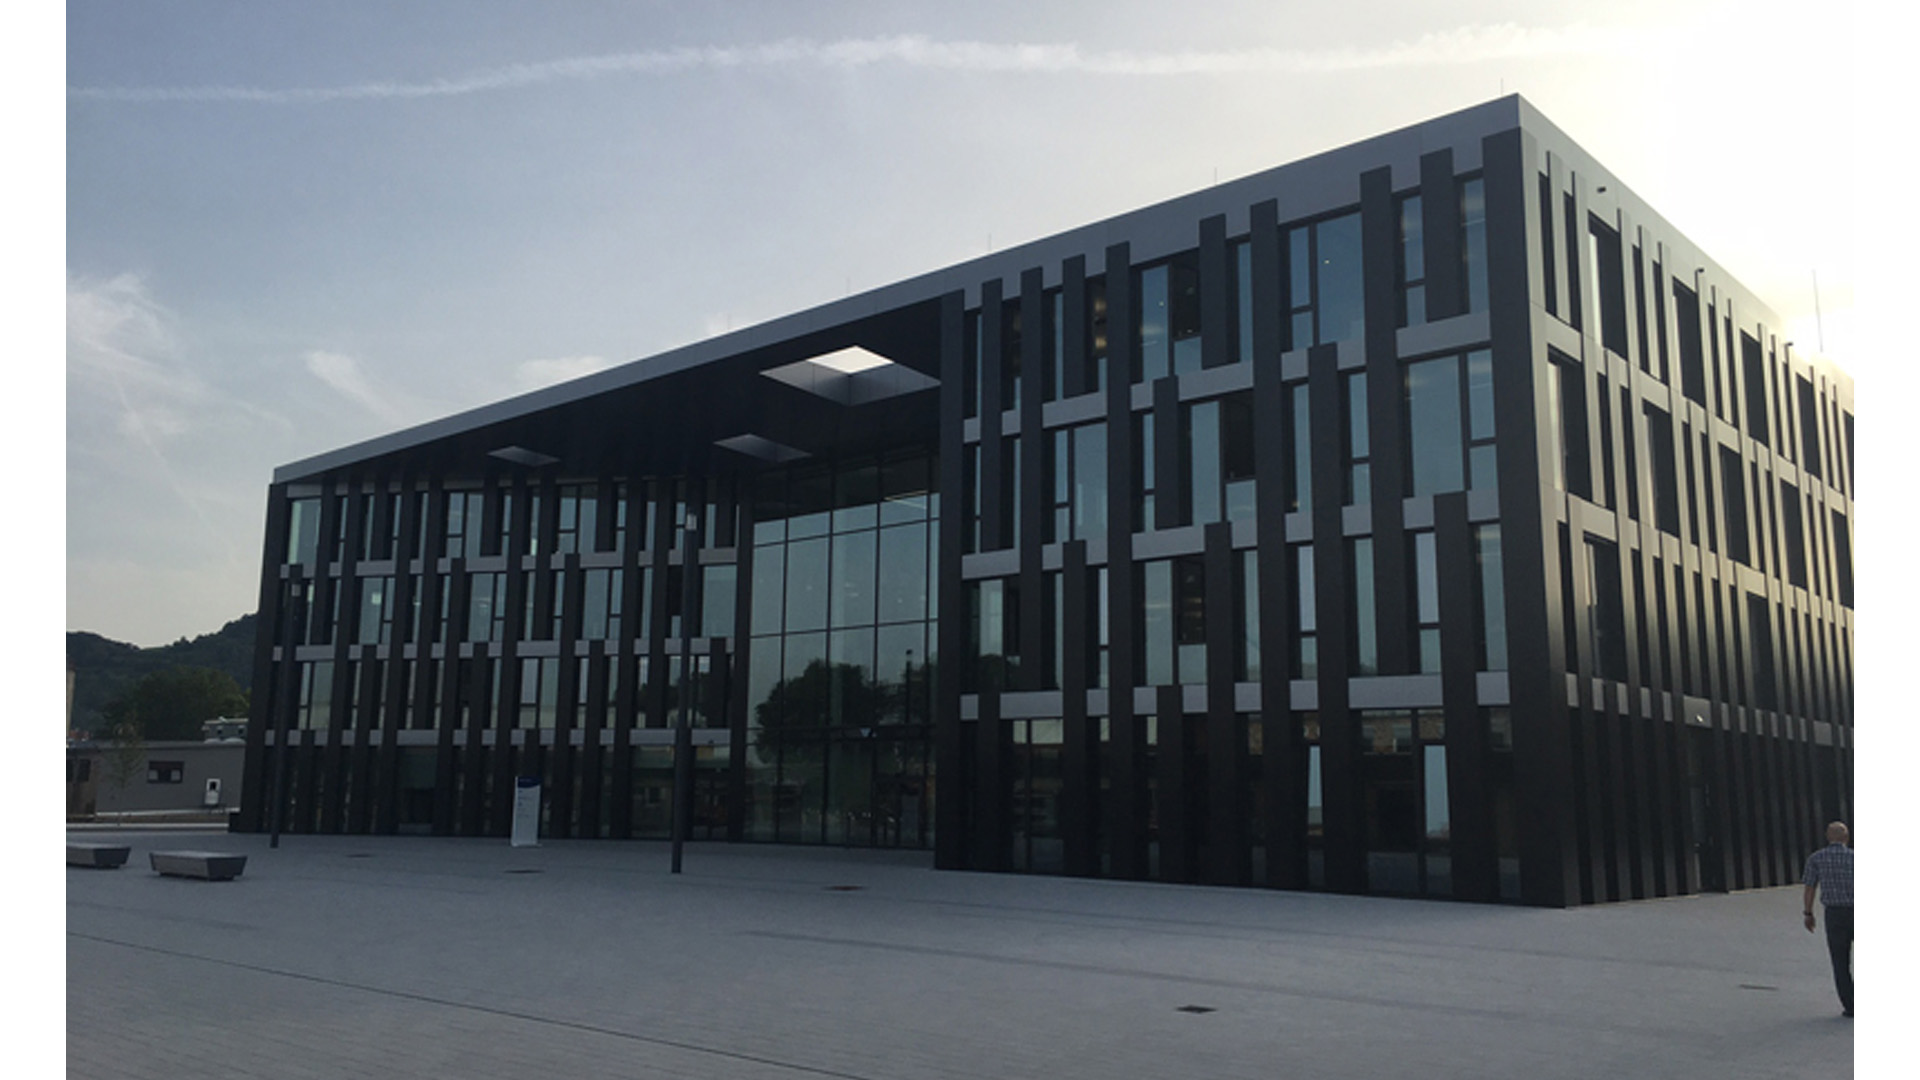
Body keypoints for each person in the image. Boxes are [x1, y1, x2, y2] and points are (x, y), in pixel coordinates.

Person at [1801, 821, 1853, 1017]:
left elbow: (1809, 887)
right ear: (1847, 837)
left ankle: (1851, 1005)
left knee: (1840, 961)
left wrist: (1808, 913)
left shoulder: (1816, 858)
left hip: (1834, 914)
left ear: (1827, 837)